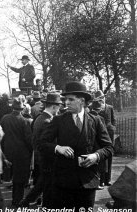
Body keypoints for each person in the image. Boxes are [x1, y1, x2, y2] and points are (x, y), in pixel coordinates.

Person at [38, 81, 113, 209]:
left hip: (87, 182)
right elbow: (41, 143)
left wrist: (95, 156)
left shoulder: (96, 121)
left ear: (82, 101)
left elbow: (109, 148)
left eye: (71, 99)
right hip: (63, 182)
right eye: (65, 99)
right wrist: (58, 148)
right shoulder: (58, 120)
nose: (66, 103)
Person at [20, 92, 62, 208]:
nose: (59, 109)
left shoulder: (39, 118)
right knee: (47, 187)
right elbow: (49, 143)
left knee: (43, 184)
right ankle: (38, 205)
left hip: (41, 157)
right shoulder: (48, 121)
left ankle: (26, 202)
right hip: (47, 158)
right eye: (58, 106)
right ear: (54, 106)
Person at [0, 98, 32, 207]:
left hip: (8, 151)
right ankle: (18, 200)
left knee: (12, 176)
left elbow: (1, 135)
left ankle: (15, 199)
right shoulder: (25, 121)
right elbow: (28, 139)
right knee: (20, 178)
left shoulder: (5, 118)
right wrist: (32, 149)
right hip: (22, 153)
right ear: (22, 109)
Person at [93, 90, 116, 186]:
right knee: (101, 156)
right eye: (100, 98)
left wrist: (113, 128)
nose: (102, 99)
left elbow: (113, 120)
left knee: (109, 156)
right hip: (100, 134)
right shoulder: (95, 108)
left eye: (103, 97)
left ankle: (108, 179)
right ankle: (101, 180)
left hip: (110, 134)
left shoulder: (110, 107)